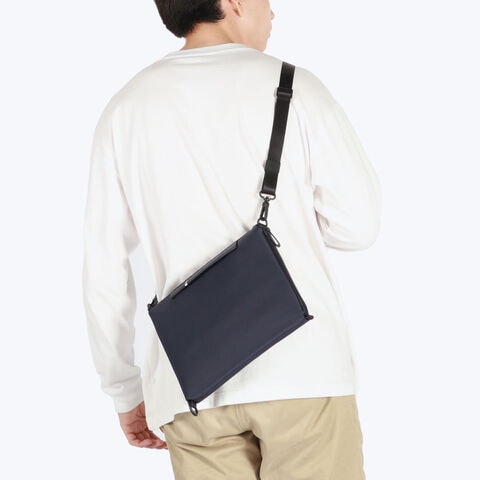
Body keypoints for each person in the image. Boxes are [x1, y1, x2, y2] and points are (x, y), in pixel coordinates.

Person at [81, 0, 382, 478]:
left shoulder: (125, 108)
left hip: (191, 388)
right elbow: (358, 226)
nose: (273, 12)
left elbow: (104, 269)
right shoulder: (295, 87)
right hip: (302, 373)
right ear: (234, 2)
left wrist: (124, 389)